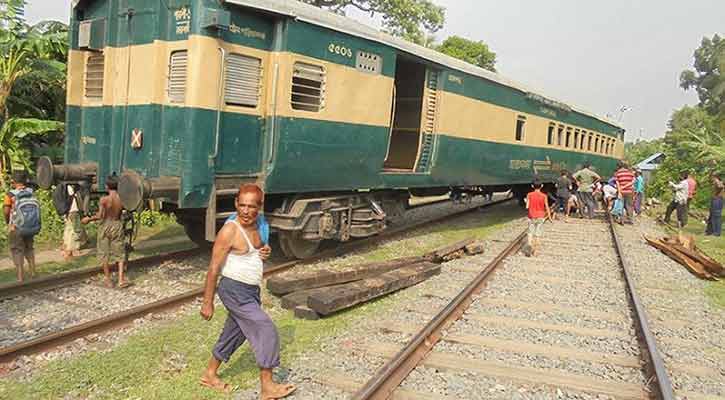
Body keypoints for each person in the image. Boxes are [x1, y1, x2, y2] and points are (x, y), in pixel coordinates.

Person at [200, 184, 295, 399]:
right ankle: (267, 386)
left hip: (250, 290)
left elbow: (257, 250)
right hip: (234, 290)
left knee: (235, 332)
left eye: (251, 206)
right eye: (241, 205)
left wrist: (265, 250)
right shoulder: (230, 230)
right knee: (266, 329)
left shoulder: (258, 226)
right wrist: (207, 302)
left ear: (259, 207)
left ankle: (209, 373)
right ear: (236, 204)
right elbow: (213, 268)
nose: (245, 210)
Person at [82, 175, 128, 288]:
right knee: (120, 253)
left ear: (107, 186)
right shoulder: (122, 199)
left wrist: (88, 219)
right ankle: (121, 279)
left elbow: (100, 216)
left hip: (105, 225)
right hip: (117, 225)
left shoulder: (104, 200)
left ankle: (108, 280)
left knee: (104, 253)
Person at [3, 170, 38, 282]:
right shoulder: (31, 192)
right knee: (29, 248)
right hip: (30, 226)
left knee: (17, 249)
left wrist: (8, 222)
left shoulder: (10, 195)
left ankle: (20, 276)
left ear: (13, 182)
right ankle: (33, 272)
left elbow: (6, 210)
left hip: (16, 227)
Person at [525, 180, 551, 257]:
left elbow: (527, 206)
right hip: (540, 216)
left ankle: (529, 244)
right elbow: (546, 207)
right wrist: (549, 217)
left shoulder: (529, 194)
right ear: (542, 186)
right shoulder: (544, 196)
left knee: (530, 233)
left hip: (531, 216)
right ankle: (535, 251)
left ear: (532, 186)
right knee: (538, 234)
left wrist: (526, 201)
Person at [62, 184, 86, 260]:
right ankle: (70, 251)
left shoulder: (65, 187)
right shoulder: (70, 189)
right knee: (75, 230)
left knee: (69, 229)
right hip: (73, 210)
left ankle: (66, 247)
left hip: (68, 211)